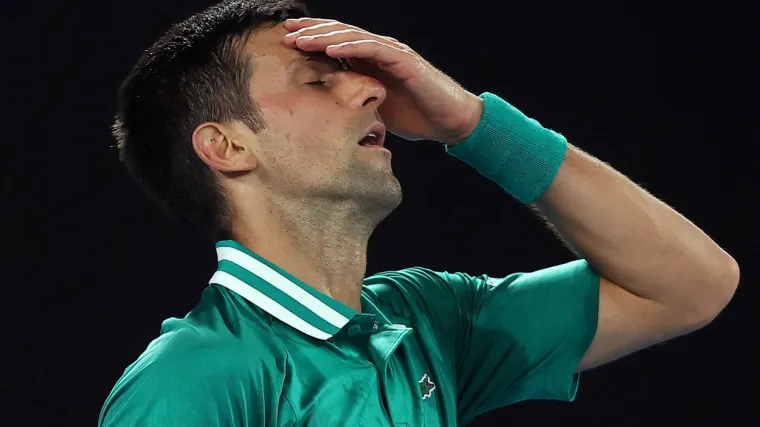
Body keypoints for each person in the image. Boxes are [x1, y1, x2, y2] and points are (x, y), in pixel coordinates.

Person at [98, 1, 740, 426]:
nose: (372, 86)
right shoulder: (190, 380)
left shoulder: (428, 320)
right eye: (317, 80)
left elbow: (691, 284)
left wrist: (472, 124)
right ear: (227, 147)